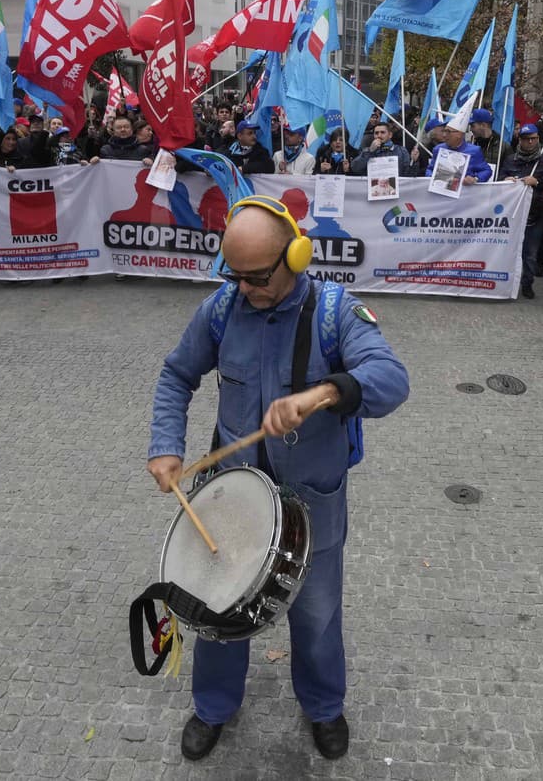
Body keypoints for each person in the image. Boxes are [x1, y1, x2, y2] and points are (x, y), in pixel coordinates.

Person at [147, 196, 410, 761]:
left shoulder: (338, 311)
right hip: (231, 493)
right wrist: (166, 447)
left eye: (256, 277)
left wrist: (325, 392)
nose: (244, 289)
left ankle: (322, 706)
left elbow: (391, 379)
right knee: (216, 603)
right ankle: (214, 706)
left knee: (316, 612)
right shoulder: (222, 308)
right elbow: (176, 375)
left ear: (296, 255)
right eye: (234, 275)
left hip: (312, 500)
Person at [498, 124, 543, 299]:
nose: (530, 142)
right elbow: (499, 178)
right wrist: (506, 180)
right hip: (512, 213)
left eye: (534, 139)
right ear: (520, 140)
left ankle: (527, 283)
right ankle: (507, 281)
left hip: (535, 213)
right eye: (526, 139)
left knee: (530, 252)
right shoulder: (510, 160)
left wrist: (537, 181)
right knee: (508, 249)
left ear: (539, 139)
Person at [423, 122, 492, 183]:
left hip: (464, 194)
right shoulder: (438, 149)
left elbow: (486, 171)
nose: (444, 135)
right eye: (444, 131)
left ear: (459, 134)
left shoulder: (474, 151)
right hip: (440, 192)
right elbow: (430, 169)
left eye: (448, 132)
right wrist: (431, 176)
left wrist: (475, 179)